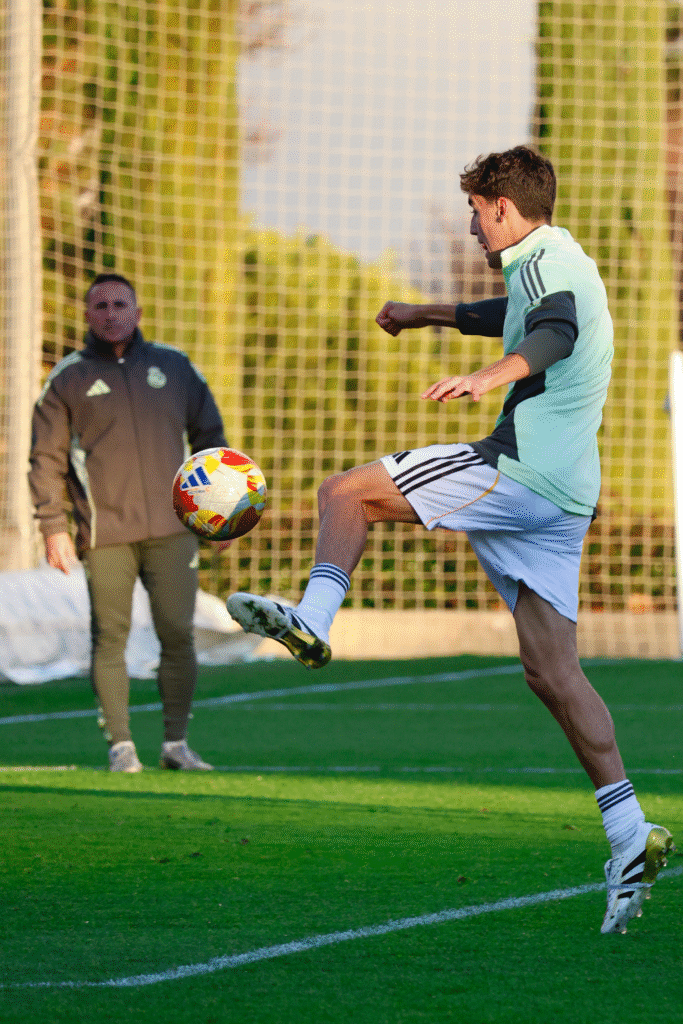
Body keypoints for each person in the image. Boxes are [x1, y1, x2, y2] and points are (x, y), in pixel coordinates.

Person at [226, 146, 674, 934]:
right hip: (566, 495)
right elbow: (517, 318)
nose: (471, 227)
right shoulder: (554, 259)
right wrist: (423, 314)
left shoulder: (545, 264)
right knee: (552, 672)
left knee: (344, 493)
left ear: (502, 206)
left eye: (475, 211)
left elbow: (553, 332)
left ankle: (313, 620)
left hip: (519, 468)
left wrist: (488, 378)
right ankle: (628, 832)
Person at [29, 273, 227, 773]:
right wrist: (53, 527)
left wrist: (219, 513)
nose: (111, 313)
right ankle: (121, 746)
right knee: (110, 637)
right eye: (101, 305)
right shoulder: (67, 379)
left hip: (174, 530)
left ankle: (176, 745)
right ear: (87, 315)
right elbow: (45, 460)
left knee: (177, 635)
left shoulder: (175, 367)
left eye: (121, 304)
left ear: (138, 313)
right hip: (106, 535)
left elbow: (210, 439)